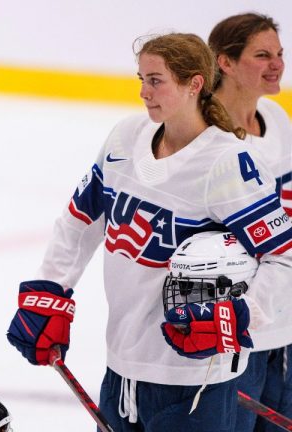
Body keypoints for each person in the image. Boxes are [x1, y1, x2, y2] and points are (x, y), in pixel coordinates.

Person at [6, 33, 292, 431]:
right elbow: (80, 220)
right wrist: (53, 288)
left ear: (194, 84)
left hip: (196, 382)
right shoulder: (125, 137)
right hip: (121, 368)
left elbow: (283, 256)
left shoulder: (227, 163)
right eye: (140, 79)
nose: (143, 92)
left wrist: (240, 315)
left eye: (156, 80)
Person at [209, 13, 292, 430]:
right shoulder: (204, 136)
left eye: (279, 53)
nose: (277, 64)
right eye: (262, 55)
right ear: (225, 62)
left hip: (287, 332)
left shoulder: (277, 119)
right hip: (234, 338)